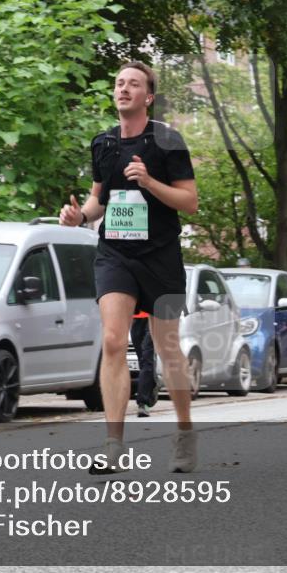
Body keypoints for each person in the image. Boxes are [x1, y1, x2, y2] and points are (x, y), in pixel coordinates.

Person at [59, 61, 198, 474]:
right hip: (116, 253)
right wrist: (79, 217)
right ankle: (113, 444)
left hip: (162, 255)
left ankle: (186, 434)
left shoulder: (168, 141)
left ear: (148, 97)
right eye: (119, 83)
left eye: (133, 84)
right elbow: (97, 200)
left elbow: (189, 202)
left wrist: (150, 181)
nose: (123, 89)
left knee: (168, 347)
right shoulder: (102, 143)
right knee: (115, 340)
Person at [130, 310, 157, 417]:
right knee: (142, 360)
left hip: (153, 317)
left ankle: (143, 403)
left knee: (147, 358)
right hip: (136, 318)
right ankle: (152, 386)